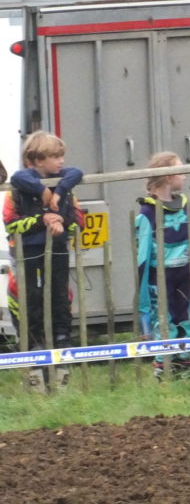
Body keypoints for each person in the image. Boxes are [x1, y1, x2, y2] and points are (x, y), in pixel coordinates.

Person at [3, 131, 83, 394]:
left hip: (57, 251)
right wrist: (43, 218)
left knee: (61, 298)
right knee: (30, 301)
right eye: (55, 157)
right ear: (37, 160)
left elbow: (78, 219)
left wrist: (59, 216)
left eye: (61, 156)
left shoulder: (65, 184)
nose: (61, 161)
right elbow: (11, 225)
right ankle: (34, 358)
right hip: (27, 253)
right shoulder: (16, 190)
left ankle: (62, 351)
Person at [135, 151, 190, 377]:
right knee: (164, 323)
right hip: (160, 278)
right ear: (168, 176)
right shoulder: (147, 213)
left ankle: (187, 369)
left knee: (186, 319)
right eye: (180, 170)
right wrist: (143, 294)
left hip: (185, 275)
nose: (184, 175)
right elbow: (142, 256)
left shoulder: (184, 206)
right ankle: (164, 371)